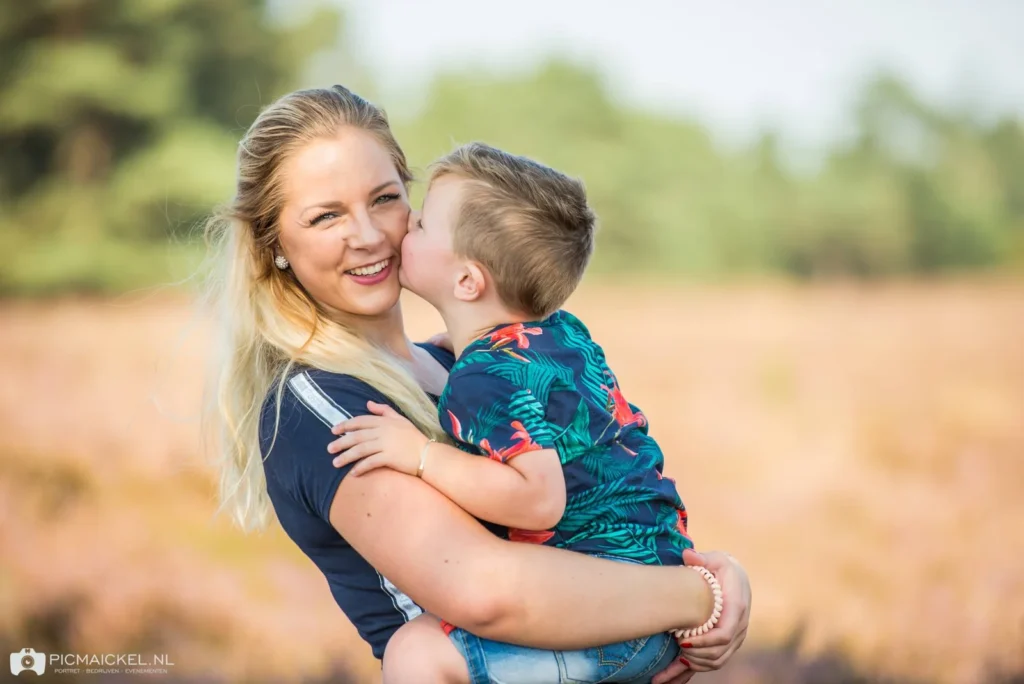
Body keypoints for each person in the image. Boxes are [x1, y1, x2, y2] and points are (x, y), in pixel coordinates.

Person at [202, 84, 751, 684]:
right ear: (273, 243)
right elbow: (487, 592)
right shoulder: (324, 406)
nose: (368, 235)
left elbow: (599, 484)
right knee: (416, 651)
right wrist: (699, 596)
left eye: (385, 199)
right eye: (326, 215)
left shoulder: (465, 365)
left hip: (597, 650)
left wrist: (717, 576)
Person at [329, 142, 717, 683]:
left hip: (604, 623)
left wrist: (421, 456)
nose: (403, 230)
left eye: (419, 225)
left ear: (467, 281)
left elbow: (538, 499)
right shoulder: (561, 333)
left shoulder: (482, 378)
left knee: (415, 655)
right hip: (655, 597)